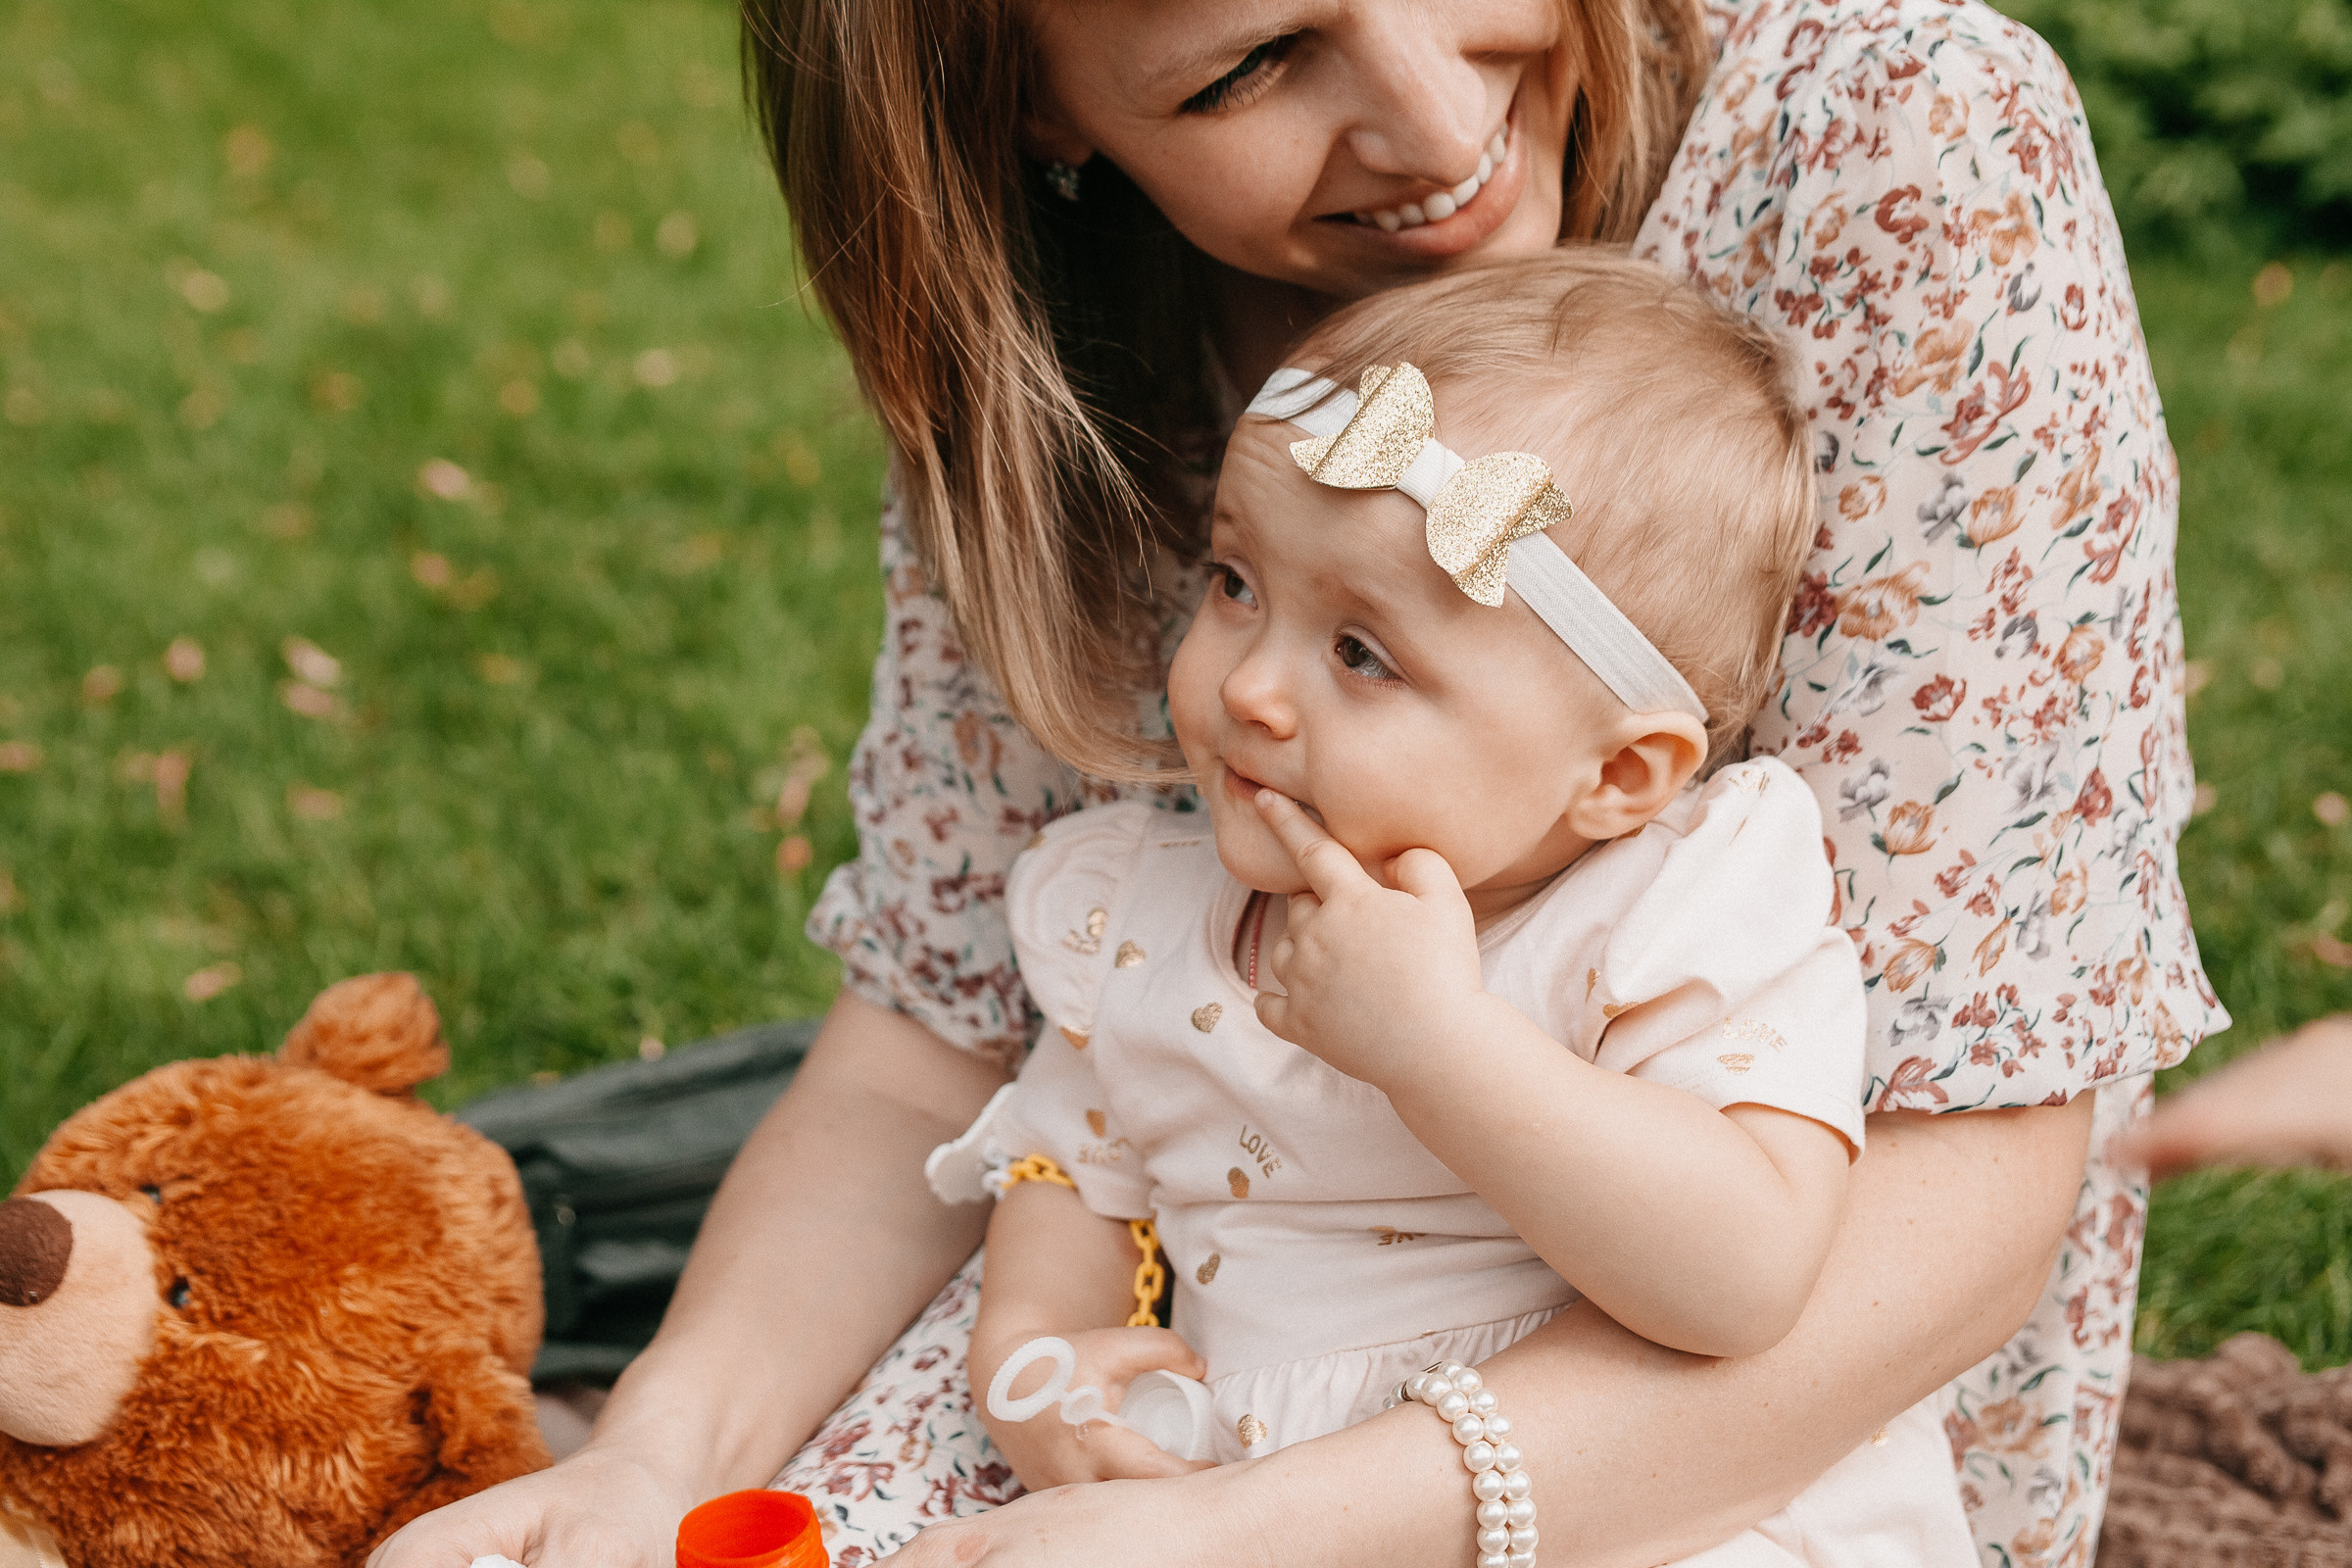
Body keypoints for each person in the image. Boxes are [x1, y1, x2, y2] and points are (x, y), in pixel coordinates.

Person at [370, 0, 2225, 1562]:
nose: (1439, 123)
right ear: (1025, 104)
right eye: (1250, 66)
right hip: (1199, 1392)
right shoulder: (1074, 453)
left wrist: (1246, 1530)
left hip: (1714, 1454)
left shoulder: (1892, 148)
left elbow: (1930, 1208)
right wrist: (664, 1455)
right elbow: (955, 1044)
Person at [947, 250, 1978, 1568]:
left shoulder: (1660, 913)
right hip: (1272, 1508)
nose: (1249, 686)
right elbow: (1069, 1168)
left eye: (1360, 653)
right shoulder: (1145, 914)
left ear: (1617, 775)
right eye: (1236, 584)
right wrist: (1032, 1363)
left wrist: (1439, 1044)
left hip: (1637, 1506)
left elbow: (1747, 1274)